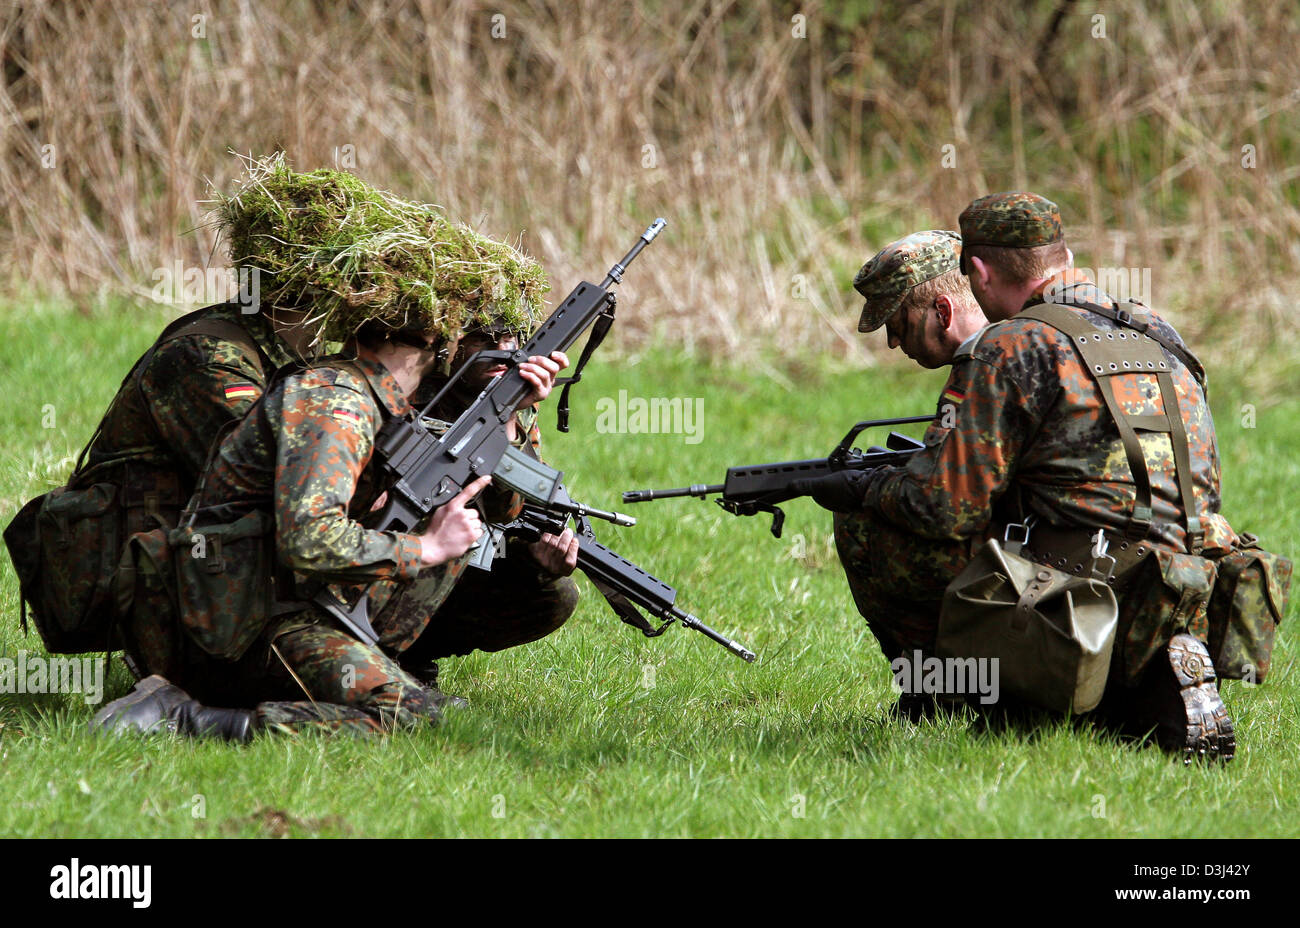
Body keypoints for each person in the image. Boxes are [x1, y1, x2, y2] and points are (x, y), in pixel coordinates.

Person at [802, 193, 1240, 761]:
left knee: (872, 520)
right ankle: (1142, 674)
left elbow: (946, 509)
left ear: (978, 272)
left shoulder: (1013, 345)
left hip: (1087, 588)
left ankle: (958, 695)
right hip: (1189, 574)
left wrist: (863, 487)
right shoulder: (1156, 329)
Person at [92, 313, 568, 740]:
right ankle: (186, 717)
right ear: (433, 341)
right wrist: (424, 548)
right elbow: (309, 538)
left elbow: (495, 503)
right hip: (247, 620)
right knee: (412, 716)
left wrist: (507, 414)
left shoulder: (372, 395)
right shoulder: (337, 403)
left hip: (285, 601)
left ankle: (362, 672)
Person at [393, 322, 581, 695]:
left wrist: (538, 559)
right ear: (450, 344)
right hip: (392, 551)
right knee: (450, 543)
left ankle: (414, 654)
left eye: (509, 337)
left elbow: (508, 509)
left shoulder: (516, 401)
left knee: (554, 593)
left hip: (452, 555)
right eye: (482, 338)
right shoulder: (416, 391)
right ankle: (380, 653)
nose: (500, 348)